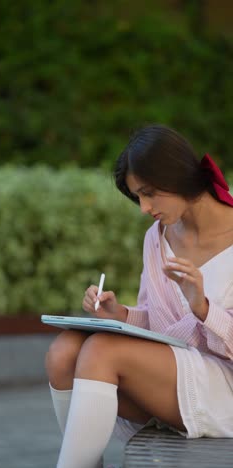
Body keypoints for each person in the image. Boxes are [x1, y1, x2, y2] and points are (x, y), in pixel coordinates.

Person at [45, 125, 233, 468]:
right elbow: (159, 322)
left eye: (149, 193)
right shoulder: (157, 237)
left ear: (177, 176)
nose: (144, 207)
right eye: (138, 197)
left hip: (225, 384)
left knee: (101, 350)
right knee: (64, 350)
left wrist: (202, 307)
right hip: (170, 367)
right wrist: (120, 315)